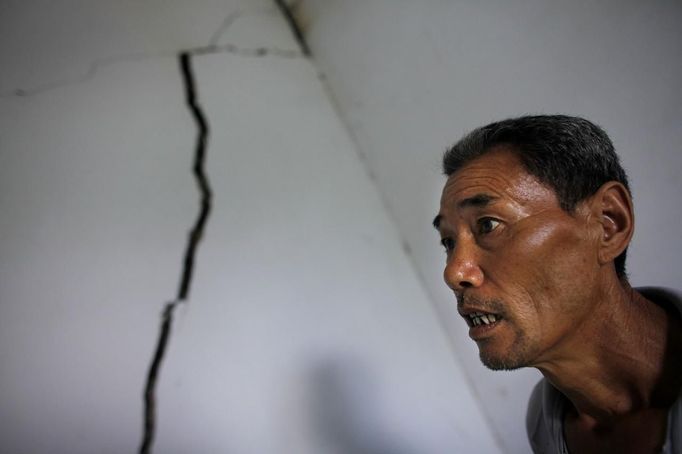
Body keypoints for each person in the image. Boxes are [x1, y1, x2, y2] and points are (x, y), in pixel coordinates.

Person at [432, 115, 681, 453]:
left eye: (488, 224)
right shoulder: (545, 425)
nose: (454, 272)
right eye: (448, 242)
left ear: (608, 224)